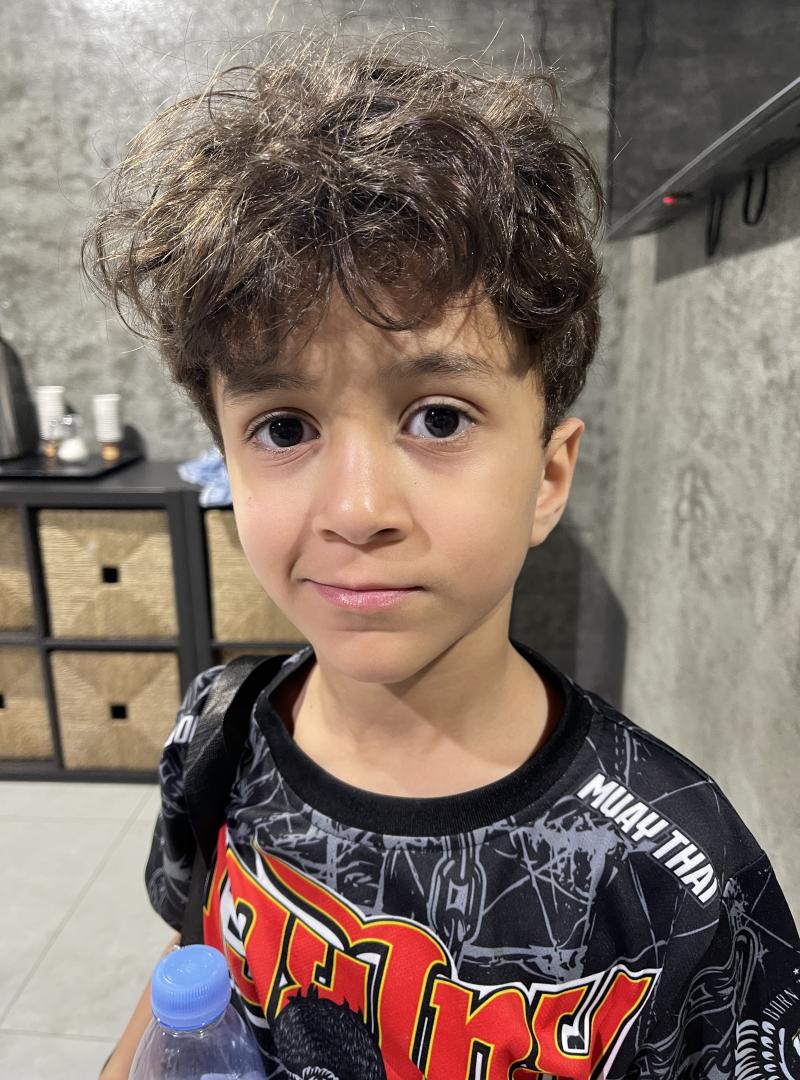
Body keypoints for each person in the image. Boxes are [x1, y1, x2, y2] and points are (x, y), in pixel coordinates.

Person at [85, 29, 800, 1080]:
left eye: (437, 417)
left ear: (547, 475)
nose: (357, 510)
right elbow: (188, 976)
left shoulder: (672, 876)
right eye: (283, 427)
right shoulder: (217, 732)